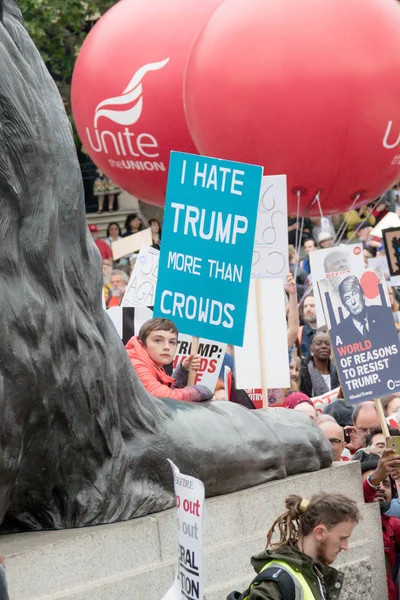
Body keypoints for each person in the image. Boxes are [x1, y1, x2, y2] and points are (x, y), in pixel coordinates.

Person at [228, 493, 360, 600]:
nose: (345, 546)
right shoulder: (277, 583)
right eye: (342, 538)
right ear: (319, 533)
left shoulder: (314, 572)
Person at [126, 318, 213, 402]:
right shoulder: (136, 364)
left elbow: (167, 394)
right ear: (142, 344)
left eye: (172, 342)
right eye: (158, 340)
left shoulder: (151, 363)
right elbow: (165, 398)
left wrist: (183, 369)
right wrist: (199, 391)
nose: (167, 347)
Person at [361, 451, 400, 600]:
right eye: (376, 483)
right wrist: (375, 478)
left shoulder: (392, 525)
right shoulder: (345, 520)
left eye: (386, 484)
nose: (381, 488)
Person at [334, 275, 393, 344]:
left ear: (363, 294)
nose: (353, 302)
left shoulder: (385, 313)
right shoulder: (338, 332)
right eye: (347, 298)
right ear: (345, 306)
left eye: (354, 293)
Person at [300, 331, 339, 398]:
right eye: (319, 344)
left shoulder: (339, 372)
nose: (324, 346)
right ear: (311, 348)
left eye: (327, 343)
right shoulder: (303, 373)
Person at [298, 295, 317, 359]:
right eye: (305, 306)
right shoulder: (299, 333)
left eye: (312, 306)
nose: (308, 309)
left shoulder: (329, 331)